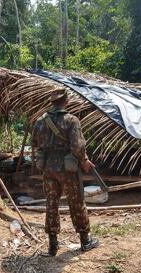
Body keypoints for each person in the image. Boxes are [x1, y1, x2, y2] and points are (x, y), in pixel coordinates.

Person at [32, 89, 99, 256]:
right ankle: (85, 241)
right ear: (66, 101)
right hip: (67, 168)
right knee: (76, 201)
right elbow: (77, 146)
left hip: (48, 167)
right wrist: (83, 161)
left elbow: (34, 142)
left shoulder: (40, 121)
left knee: (51, 203)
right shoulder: (71, 120)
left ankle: (52, 246)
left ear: (52, 102)